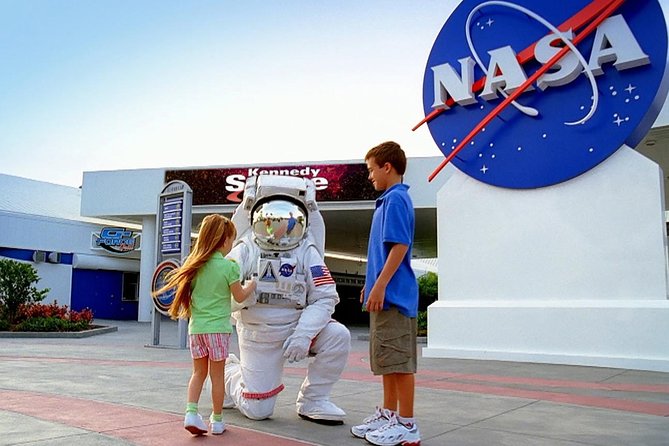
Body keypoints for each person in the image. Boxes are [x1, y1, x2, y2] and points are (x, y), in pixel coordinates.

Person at [225, 174, 351, 424]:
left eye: (288, 220)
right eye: (272, 219)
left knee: (338, 336)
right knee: (258, 410)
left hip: (296, 327)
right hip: (258, 333)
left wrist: (304, 334)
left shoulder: (307, 251)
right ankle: (229, 374)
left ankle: (313, 398)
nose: (279, 231)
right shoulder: (245, 249)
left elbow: (326, 297)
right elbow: (222, 291)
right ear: (257, 218)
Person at [154, 214, 257, 436]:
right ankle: (217, 421)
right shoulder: (229, 267)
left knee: (198, 373)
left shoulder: (194, 267)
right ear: (223, 240)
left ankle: (191, 413)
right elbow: (239, 297)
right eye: (231, 240)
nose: (231, 244)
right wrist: (251, 285)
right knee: (217, 376)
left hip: (196, 330)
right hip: (218, 330)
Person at [352, 141, 421, 446]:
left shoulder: (395, 200)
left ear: (387, 167)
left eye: (371, 170)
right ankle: (388, 414)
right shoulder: (387, 201)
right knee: (387, 360)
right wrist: (371, 282)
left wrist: (380, 285)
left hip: (395, 298)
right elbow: (383, 252)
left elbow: (400, 246)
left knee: (399, 363)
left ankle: (407, 424)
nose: (370, 177)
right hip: (384, 295)